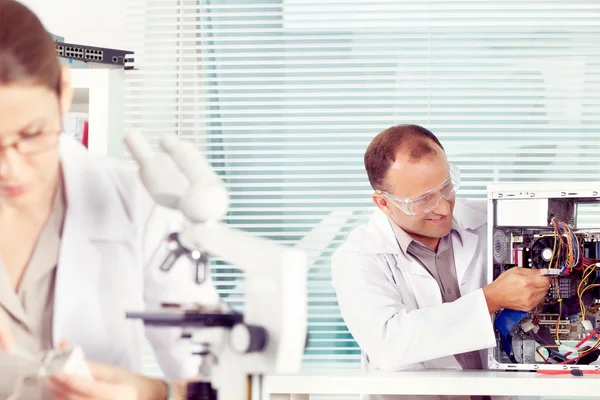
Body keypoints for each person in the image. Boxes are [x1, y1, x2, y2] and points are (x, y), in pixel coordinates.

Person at [0, 0, 220, 398]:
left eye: (31, 135)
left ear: (64, 92)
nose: (8, 168)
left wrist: (152, 393)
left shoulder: (136, 200)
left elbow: (209, 378)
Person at [330, 124, 551, 400]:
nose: (443, 207)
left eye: (446, 187)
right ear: (384, 203)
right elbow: (389, 343)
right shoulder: (358, 257)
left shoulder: (494, 224)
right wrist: (488, 300)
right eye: (423, 200)